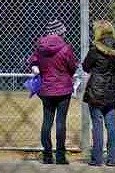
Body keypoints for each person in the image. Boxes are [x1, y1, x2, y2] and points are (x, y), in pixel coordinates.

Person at [28, 19, 78, 164]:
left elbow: (32, 61)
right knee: (61, 122)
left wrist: (37, 68)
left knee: (47, 121)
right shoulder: (66, 48)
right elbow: (72, 67)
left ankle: (47, 155)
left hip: (46, 89)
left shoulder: (40, 47)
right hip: (63, 89)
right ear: (60, 32)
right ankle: (61, 156)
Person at [82, 20, 115, 166]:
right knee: (111, 124)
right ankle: (113, 158)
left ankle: (97, 158)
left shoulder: (95, 49)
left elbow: (85, 67)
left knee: (97, 124)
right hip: (112, 90)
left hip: (96, 91)